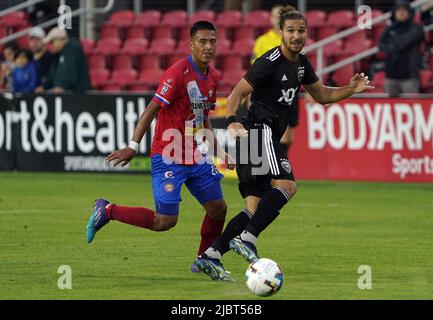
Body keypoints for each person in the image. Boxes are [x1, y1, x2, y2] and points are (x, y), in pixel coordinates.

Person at [194, 6, 373, 280]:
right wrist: (230, 120)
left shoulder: (301, 63)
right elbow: (237, 93)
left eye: (301, 30)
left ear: (307, 33)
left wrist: (351, 89)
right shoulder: (269, 61)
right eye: (291, 30)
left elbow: (322, 94)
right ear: (280, 32)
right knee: (287, 186)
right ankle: (248, 239)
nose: (296, 35)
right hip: (257, 131)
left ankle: (212, 254)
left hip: (255, 139)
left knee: (252, 208)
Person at [86, 21, 235, 276]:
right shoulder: (177, 74)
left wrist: (219, 151)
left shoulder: (213, 78)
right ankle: (108, 210)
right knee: (164, 222)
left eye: (212, 41)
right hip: (168, 154)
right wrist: (133, 146)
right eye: (202, 41)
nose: (208, 47)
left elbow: (203, 119)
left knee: (218, 208)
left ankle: (205, 259)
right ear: (191, 44)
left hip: (195, 154)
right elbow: (150, 111)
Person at [251, 4, 299, 153]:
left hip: (291, 90)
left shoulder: (293, 38)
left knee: (289, 137)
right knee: (278, 135)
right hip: (271, 93)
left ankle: (278, 165)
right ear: (271, 19)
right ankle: (278, 169)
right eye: (275, 16)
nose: (278, 18)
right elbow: (254, 70)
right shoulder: (262, 41)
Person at [378, 0, 424, 97]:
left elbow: (404, 42)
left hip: (409, 76)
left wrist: (391, 44)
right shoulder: (390, 28)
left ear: (409, 12)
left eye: (404, 10)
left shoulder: (417, 28)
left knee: (411, 106)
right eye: (398, 10)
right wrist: (393, 46)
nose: (401, 13)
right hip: (391, 76)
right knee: (390, 107)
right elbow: (380, 44)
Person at [38, 27, 91, 93]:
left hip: (78, 95)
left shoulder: (72, 50)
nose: (50, 45)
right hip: (65, 96)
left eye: (51, 42)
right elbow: (52, 74)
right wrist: (44, 86)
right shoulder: (58, 54)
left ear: (60, 40)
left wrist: (62, 86)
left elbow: (70, 72)